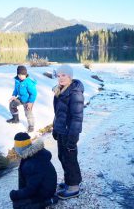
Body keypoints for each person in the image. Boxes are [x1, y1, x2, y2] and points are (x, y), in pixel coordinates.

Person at [52, 64, 84, 199]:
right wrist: (55, 128)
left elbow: (77, 118)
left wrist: (73, 139)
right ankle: (69, 181)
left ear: (70, 76)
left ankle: (74, 187)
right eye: (58, 76)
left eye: (63, 75)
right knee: (62, 157)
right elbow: (58, 113)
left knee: (70, 158)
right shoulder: (60, 91)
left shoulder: (75, 93)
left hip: (69, 133)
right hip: (61, 131)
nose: (60, 78)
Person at [9, 132, 58, 209]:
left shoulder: (30, 164)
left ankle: (48, 201)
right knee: (19, 200)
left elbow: (31, 189)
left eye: (15, 146)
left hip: (45, 192)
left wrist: (15, 194)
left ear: (19, 148)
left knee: (17, 205)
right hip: (48, 186)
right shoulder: (34, 153)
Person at [7, 65, 37, 132]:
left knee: (28, 113)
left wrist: (30, 103)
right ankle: (15, 119)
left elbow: (34, 93)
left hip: (28, 100)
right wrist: (14, 95)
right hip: (21, 98)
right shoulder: (17, 80)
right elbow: (16, 89)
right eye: (19, 74)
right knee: (12, 104)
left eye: (23, 75)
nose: (21, 76)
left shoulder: (28, 82)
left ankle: (31, 126)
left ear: (26, 74)